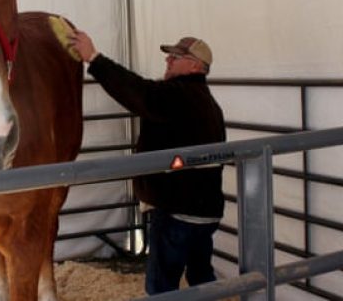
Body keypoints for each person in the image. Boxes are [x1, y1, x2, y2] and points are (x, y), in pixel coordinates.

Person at [69, 32, 226, 295]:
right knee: (201, 274)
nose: (168, 59)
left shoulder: (179, 95)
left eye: (176, 56)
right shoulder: (208, 102)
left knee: (161, 284)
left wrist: (94, 59)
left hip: (178, 211)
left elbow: (138, 92)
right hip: (205, 211)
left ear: (196, 66)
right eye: (170, 55)